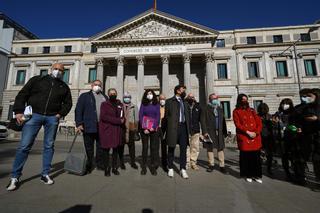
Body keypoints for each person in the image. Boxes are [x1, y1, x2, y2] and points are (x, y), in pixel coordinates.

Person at [7, 63, 72, 191]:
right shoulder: (37, 80)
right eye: (56, 69)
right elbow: (23, 94)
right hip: (33, 116)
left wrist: (59, 115)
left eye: (61, 70)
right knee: (24, 146)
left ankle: (45, 174)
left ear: (64, 73)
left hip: (52, 118)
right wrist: (19, 111)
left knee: (49, 146)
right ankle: (15, 176)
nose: (58, 71)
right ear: (50, 69)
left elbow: (68, 103)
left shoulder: (63, 86)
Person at [75, 80, 107, 174]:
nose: (97, 86)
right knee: (89, 147)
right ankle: (89, 165)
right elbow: (78, 110)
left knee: (100, 146)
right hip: (88, 125)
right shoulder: (85, 96)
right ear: (92, 85)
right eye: (96, 85)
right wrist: (79, 123)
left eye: (99, 85)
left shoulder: (105, 97)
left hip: (101, 126)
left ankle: (99, 164)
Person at [233, 94, 263, 183]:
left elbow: (259, 123)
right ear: (239, 101)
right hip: (245, 137)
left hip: (255, 137)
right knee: (247, 158)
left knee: (256, 158)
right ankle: (248, 174)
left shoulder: (252, 110)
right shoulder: (236, 111)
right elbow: (237, 124)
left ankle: (257, 175)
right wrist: (247, 132)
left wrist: (256, 132)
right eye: (243, 100)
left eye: (246, 99)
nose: (245, 101)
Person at [162, 85, 190, 179]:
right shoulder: (169, 102)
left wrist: (189, 129)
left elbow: (188, 117)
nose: (184, 92)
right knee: (171, 148)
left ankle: (183, 169)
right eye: (183, 90)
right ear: (178, 91)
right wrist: (164, 130)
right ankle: (170, 167)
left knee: (183, 149)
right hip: (173, 127)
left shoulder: (185, 102)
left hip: (183, 127)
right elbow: (166, 117)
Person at [99, 88, 124, 177]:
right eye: (111, 93)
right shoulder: (104, 104)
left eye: (114, 93)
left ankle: (114, 168)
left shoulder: (120, 104)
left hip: (117, 131)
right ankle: (106, 168)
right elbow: (104, 117)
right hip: (107, 130)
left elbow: (122, 116)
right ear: (108, 95)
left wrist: (122, 119)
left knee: (115, 151)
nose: (113, 94)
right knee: (106, 151)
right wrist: (118, 121)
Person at [201, 94, 228, 174]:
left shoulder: (220, 108)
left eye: (216, 98)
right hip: (209, 131)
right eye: (214, 98)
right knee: (210, 148)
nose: (215, 99)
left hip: (219, 130)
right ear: (210, 100)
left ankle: (222, 165)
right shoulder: (205, 108)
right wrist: (204, 131)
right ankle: (211, 165)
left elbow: (223, 121)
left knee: (220, 148)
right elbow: (203, 121)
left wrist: (224, 132)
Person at [273, 98, 296, 181]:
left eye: (286, 103)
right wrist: (275, 121)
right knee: (284, 156)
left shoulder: (294, 113)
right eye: (283, 103)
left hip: (292, 137)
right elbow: (274, 121)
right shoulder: (279, 113)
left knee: (293, 156)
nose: (284, 105)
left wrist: (285, 126)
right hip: (282, 138)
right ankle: (287, 173)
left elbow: (295, 125)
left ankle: (296, 172)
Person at [139, 89, 160, 175]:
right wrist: (145, 128)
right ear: (145, 95)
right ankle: (144, 167)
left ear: (153, 95)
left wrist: (153, 127)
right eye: (148, 94)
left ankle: (152, 166)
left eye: (151, 93)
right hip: (145, 129)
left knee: (153, 148)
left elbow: (158, 116)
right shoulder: (143, 104)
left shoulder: (157, 104)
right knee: (145, 147)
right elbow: (141, 116)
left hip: (153, 129)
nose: (149, 95)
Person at [301, 88, 320, 181]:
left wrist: (317, 118)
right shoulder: (306, 108)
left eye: (310, 96)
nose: (307, 98)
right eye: (306, 96)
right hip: (311, 138)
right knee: (315, 159)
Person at [118, 92, 139, 170]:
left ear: (130, 98)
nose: (127, 98)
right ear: (123, 98)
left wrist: (136, 129)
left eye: (128, 97)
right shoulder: (120, 106)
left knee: (132, 147)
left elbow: (136, 119)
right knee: (121, 147)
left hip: (131, 128)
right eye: (125, 97)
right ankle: (121, 163)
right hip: (122, 128)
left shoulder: (134, 106)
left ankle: (133, 162)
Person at [185, 93, 202, 170]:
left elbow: (201, 118)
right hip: (186, 129)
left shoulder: (198, 106)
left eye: (192, 97)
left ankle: (193, 162)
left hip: (196, 129)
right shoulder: (184, 105)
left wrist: (203, 130)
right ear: (187, 98)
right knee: (187, 147)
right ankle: (187, 162)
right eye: (190, 97)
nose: (191, 98)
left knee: (195, 147)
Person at [257, 103, 274, 175]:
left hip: (268, 137)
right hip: (261, 136)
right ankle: (263, 168)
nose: (262, 110)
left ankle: (268, 168)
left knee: (269, 154)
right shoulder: (257, 116)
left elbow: (273, 126)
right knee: (260, 153)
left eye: (264, 109)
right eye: (261, 109)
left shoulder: (270, 116)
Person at [159, 94, 168, 172]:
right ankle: (155, 163)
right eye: (161, 99)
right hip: (156, 127)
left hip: (164, 129)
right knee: (155, 146)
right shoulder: (156, 107)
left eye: (163, 99)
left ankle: (164, 164)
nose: (162, 100)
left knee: (164, 147)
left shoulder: (167, 107)